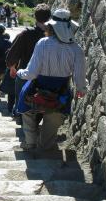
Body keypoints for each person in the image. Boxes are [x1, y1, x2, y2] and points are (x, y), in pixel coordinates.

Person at [16, 8, 86, 150]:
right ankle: (45, 146)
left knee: (27, 112)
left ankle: (30, 143)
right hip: (60, 91)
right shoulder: (77, 50)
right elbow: (79, 77)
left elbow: (32, 73)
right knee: (54, 117)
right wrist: (81, 89)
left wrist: (20, 73)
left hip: (37, 88)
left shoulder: (43, 43)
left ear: (51, 26)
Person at [6, 3, 51, 122]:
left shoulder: (26, 34)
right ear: (49, 17)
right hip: (47, 75)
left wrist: (12, 66)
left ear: (35, 18)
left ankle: (20, 115)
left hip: (27, 73)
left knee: (20, 94)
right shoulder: (54, 36)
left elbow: (12, 54)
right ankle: (37, 121)